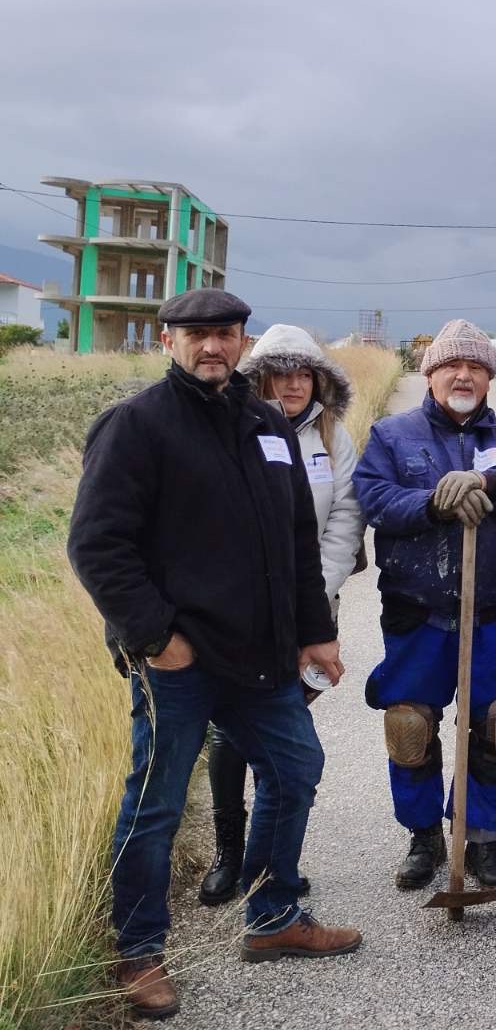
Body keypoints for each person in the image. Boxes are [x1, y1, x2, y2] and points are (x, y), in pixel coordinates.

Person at [67, 290, 360, 1022]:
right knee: (158, 802)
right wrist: (154, 636)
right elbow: (96, 545)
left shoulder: (263, 423)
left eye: (226, 334)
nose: (213, 347)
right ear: (167, 341)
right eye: (197, 335)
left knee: (296, 770)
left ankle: (272, 917)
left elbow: (296, 538)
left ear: (242, 343)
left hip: (258, 653)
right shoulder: (136, 427)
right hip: (177, 661)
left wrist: (314, 628)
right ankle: (137, 952)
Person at [354, 319, 496, 892]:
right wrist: (434, 505)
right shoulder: (393, 436)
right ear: (431, 374)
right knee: (410, 725)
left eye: (475, 367)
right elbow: (375, 499)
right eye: (451, 367)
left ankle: (483, 838)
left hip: (493, 610)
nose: (463, 375)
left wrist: (491, 488)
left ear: (489, 377)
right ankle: (423, 836)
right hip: (418, 612)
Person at [199, 323, 365, 906]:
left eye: (303, 373)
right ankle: (229, 850)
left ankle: (272, 862)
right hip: (242, 611)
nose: (293, 384)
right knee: (230, 731)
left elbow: (345, 518)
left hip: (311, 609)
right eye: (281, 372)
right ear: (259, 375)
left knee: (288, 727)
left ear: (317, 379)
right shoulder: (233, 429)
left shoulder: (332, 436)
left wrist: (308, 596)